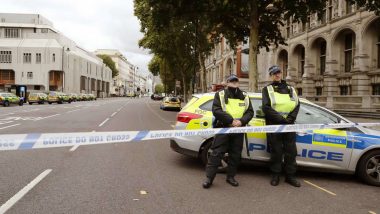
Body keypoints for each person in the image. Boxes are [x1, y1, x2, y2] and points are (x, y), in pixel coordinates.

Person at [203, 74, 254, 189]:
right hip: (224, 128)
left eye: (236, 81)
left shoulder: (245, 96)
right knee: (216, 154)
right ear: (226, 83)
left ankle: (231, 177)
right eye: (231, 81)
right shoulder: (220, 94)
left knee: (235, 155)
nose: (234, 83)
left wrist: (241, 122)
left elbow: (250, 112)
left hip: (238, 129)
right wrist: (231, 121)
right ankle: (209, 178)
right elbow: (216, 110)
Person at [262, 65, 301, 187]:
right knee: (276, 152)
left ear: (281, 73)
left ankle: (290, 176)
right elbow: (266, 107)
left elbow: (297, 105)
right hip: (275, 125)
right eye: (274, 73)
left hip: (289, 125)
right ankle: (275, 175)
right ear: (271, 75)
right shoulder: (267, 89)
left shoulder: (291, 89)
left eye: (278, 72)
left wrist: (289, 119)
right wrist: (281, 120)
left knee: (291, 152)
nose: (277, 75)